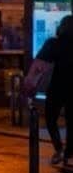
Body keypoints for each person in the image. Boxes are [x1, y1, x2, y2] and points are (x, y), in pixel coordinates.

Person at [25, 14, 73, 165]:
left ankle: (58, 148)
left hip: (57, 87)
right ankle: (68, 154)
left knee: (51, 119)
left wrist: (30, 85)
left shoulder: (53, 44)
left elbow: (39, 67)